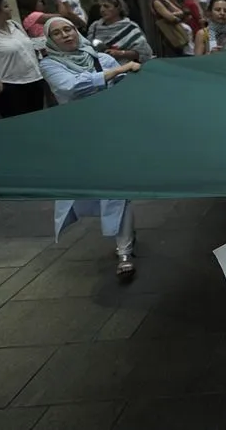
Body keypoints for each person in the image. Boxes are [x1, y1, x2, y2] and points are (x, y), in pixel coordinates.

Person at [39, 17, 141, 276]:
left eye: (68, 29)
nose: (65, 35)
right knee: (92, 191)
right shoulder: (50, 64)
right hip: (79, 137)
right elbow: (72, 87)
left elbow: (127, 88)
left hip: (110, 133)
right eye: (57, 33)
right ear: (50, 40)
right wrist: (118, 70)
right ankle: (126, 234)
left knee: (118, 189)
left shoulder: (102, 59)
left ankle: (124, 250)